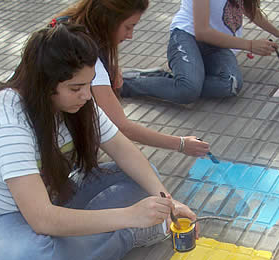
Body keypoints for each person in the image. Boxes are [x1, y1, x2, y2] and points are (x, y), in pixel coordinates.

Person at [0, 22, 196, 260]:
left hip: (56, 196)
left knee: (145, 182)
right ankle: (125, 237)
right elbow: (42, 219)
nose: (87, 95)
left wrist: (168, 200)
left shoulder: (78, 104)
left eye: (89, 84)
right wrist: (130, 218)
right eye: (76, 88)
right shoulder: (6, 120)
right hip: (0, 221)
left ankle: (74, 254)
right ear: (45, 84)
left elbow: (124, 150)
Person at [55, 0, 210, 157]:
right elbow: (122, 126)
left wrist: (113, 70)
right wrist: (181, 143)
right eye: (128, 27)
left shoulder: (72, 24)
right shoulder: (84, 55)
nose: (130, 35)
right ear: (107, 19)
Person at [119, 0, 279, 104]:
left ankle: (178, 78)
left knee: (230, 85)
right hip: (187, 36)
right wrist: (250, 44)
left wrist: (277, 32)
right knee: (187, 92)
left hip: (218, 44)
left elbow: (249, 8)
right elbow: (202, 32)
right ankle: (127, 83)